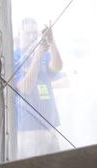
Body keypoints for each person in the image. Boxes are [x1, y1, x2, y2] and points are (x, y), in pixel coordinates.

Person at [13, 18, 64, 157]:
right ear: (18, 36)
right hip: (28, 130)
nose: (31, 37)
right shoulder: (15, 56)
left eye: (34, 34)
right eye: (27, 33)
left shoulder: (43, 55)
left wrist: (51, 42)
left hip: (50, 125)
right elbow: (25, 88)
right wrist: (36, 57)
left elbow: (57, 67)